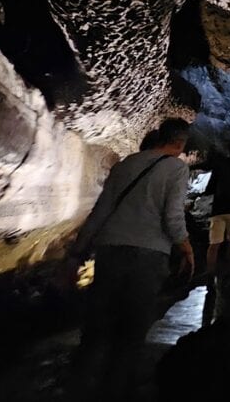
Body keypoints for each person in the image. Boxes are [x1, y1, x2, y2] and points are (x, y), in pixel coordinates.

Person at [67, 118, 195, 401]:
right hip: (148, 255)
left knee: (96, 327)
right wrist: (185, 247)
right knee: (132, 330)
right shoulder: (176, 168)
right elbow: (173, 216)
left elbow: (100, 211)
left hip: (111, 250)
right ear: (180, 142)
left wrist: (78, 250)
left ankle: (78, 389)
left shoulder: (126, 164)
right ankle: (115, 390)